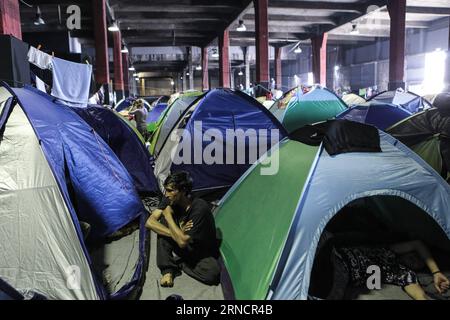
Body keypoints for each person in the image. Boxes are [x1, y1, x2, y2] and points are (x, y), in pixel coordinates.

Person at [145, 171, 220, 287]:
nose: (166, 194)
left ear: (183, 191)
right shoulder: (169, 199)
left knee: (212, 274)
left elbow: (182, 242)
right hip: (183, 241)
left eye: (170, 190)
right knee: (161, 225)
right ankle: (168, 270)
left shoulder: (199, 208)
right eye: (166, 190)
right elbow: (150, 222)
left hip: (201, 252)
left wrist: (169, 216)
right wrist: (176, 233)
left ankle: (181, 263)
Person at [329, 240, 449, 300]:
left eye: (419, 263)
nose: (416, 259)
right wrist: (436, 272)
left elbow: (419, 295)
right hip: (336, 255)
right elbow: (417, 243)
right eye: (415, 255)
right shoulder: (390, 250)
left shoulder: (404, 274)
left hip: (344, 273)